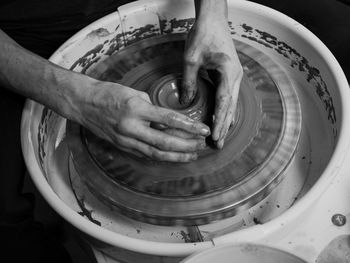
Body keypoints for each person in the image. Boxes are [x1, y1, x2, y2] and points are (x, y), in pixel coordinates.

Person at [0, 0, 242, 262]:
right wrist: (81, 100)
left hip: (139, 5)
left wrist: (213, 14)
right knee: (8, 234)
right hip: (23, 43)